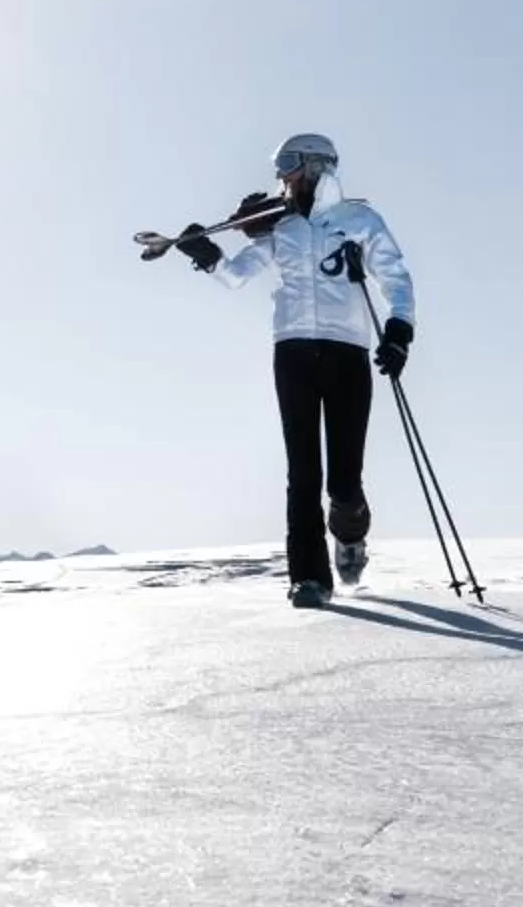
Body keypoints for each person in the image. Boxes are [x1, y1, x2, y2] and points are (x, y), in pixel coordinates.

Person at [175, 134, 415, 608]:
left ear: (315, 167)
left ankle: (350, 532)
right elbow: (236, 274)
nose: (281, 176)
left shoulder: (359, 220)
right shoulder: (280, 228)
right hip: (292, 352)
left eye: (288, 165)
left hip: (347, 352)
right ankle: (309, 579)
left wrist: (398, 332)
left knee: (343, 482)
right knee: (302, 472)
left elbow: (395, 277)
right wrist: (207, 255)